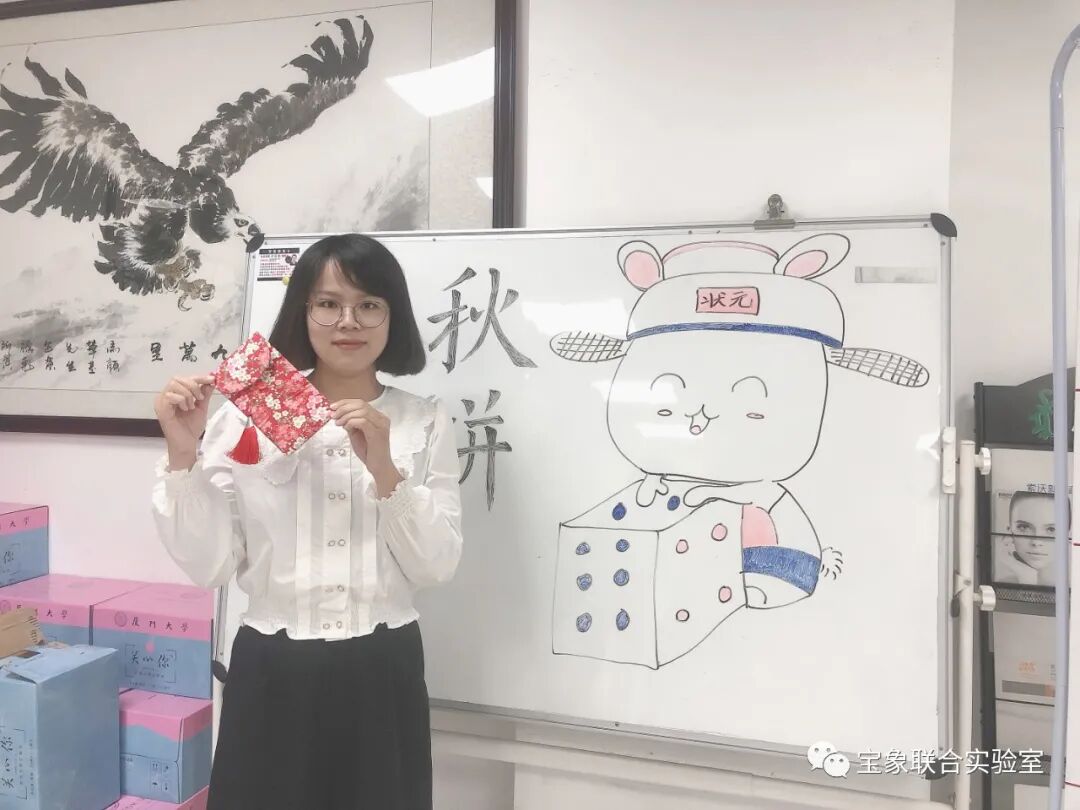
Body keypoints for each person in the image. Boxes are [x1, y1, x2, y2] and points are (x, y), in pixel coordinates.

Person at [151, 233, 463, 810]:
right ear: (303, 311)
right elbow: (210, 565)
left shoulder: (422, 420)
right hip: (273, 666)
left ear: (393, 315)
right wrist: (182, 453)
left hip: (383, 667)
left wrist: (385, 469)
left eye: (369, 304)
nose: (348, 321)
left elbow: (437, 565)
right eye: (327, 303)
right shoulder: (243, 419)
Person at [996, 490, 1059, 586]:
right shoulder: (1001, 582)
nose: (1036, 542)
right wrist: (1026, 576)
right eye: (1024, 527)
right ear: (1009, 531)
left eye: (1051, 529)